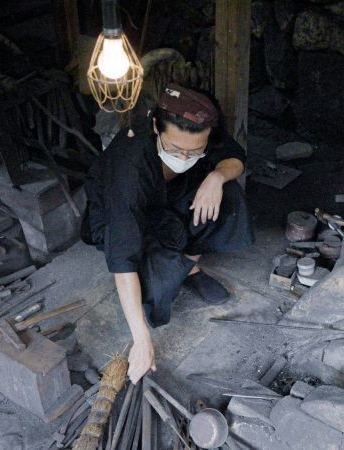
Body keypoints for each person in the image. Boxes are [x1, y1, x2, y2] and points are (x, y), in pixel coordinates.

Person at [83, 83, 254, 383]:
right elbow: (123, 259)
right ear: (155, 127)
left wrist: (216, 177)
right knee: (154, 289)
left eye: (194, 151)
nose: (184, 157)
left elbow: (235, 157)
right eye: (175, 149)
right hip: (123, 217)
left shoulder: (202, 130)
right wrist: (141, 338)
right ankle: (174, 268)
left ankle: (189, 266)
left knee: (228, 196)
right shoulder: (130, 164)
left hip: (171, 199)